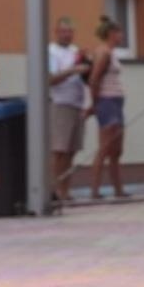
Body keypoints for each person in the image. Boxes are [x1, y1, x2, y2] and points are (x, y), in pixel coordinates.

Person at [46, 16, 90, 205]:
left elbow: (85, 75)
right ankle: (52, 189)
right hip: (60, 103)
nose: (67, 35)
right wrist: (73, 70)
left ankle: (65, 190)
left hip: (77, 103)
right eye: (63, 31)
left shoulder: (75, 51)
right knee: (59, 150)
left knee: (71, 151)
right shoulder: (50, 51)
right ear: (56, 32)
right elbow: (51, 79)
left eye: (70, 31)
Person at [86, 17, 129, 200]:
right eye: (119, 32)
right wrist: (94, 105)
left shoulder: (112, 53)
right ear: (112, 34)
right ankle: (94, 190)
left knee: (117, 149)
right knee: (104, 147)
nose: (122, 35)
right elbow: (94, 79)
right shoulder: (104, 53)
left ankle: (118, 189)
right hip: (107, 101)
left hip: (116, 101)